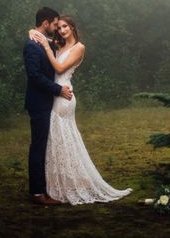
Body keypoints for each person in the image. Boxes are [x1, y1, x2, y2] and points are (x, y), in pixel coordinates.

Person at [29, 15, 132, 205]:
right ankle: (56, 183)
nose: (61, 30)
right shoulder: (59, 45)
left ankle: (66, 184)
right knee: (56, 139)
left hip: (64, 96)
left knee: (62, 138)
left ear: (73, 27)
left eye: (65, 26)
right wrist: (33, 33)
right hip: (55, 94)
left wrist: (45, 46)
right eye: (59, 27)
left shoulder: (79, 48)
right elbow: (40, 37)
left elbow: (59, 69)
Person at [23, 6, 73, 206]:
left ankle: (45, 188)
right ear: (45, 23)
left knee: (45, 147)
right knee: (38, 147)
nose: (56, 28)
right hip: (39, 104)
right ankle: (37, 193)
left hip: (48, 103)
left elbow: (60, 44)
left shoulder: (43, 43)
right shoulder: (32, 46)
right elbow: (34, 76)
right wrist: (58, 90)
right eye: (54, 24)